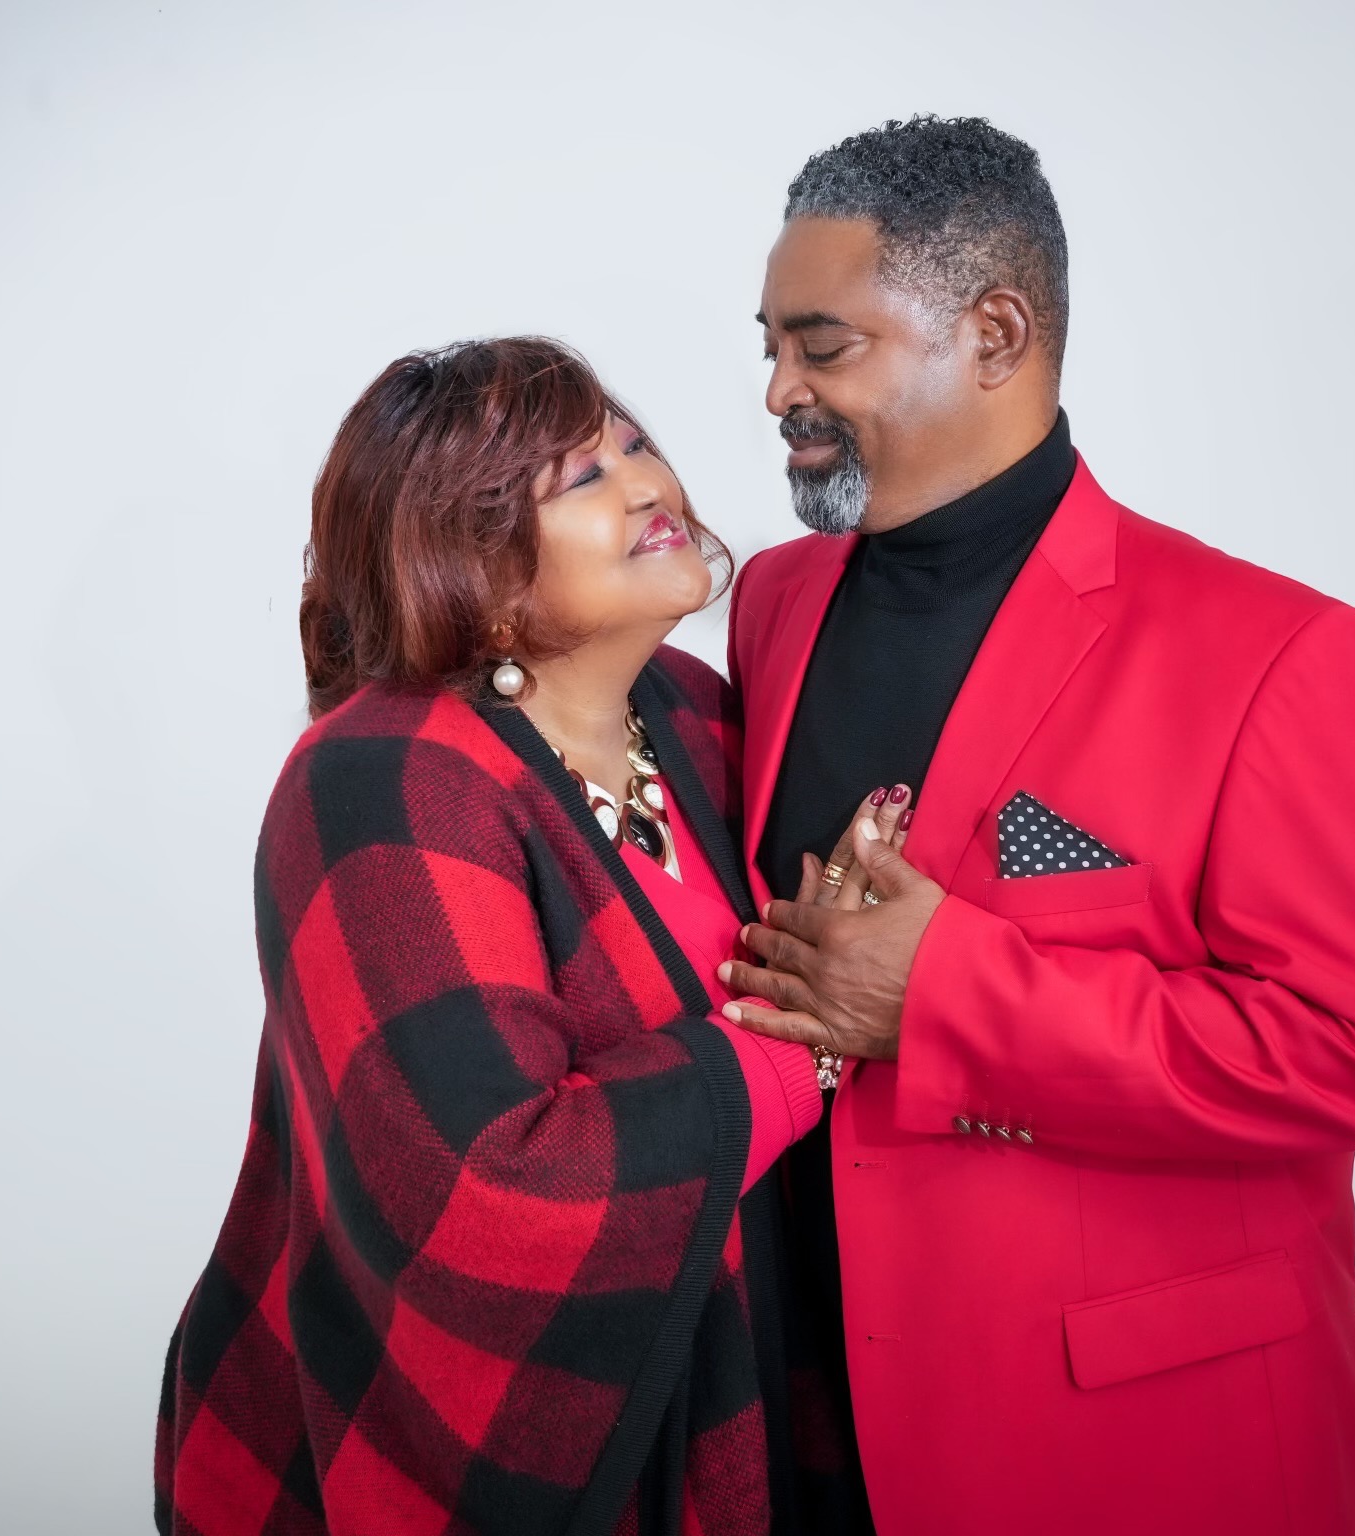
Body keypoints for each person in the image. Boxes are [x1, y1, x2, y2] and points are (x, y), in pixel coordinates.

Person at [721, 117, 1355, 1534]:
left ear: (995, 335)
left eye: (824, 347)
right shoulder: (774, 603)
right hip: (808, 1422)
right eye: (770, 345)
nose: (777, 390)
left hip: (1139, 1446)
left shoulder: (1283, 654)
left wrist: (945, 996)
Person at [153, 337, 893, 1536]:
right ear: (470, 561)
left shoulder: (693, 717)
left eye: (634, 444)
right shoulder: (382, 780)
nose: (648, 484)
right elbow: (490, 1192)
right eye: (582, 479)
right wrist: (806, 1042)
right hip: (448, 1449)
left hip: (723, 1380)